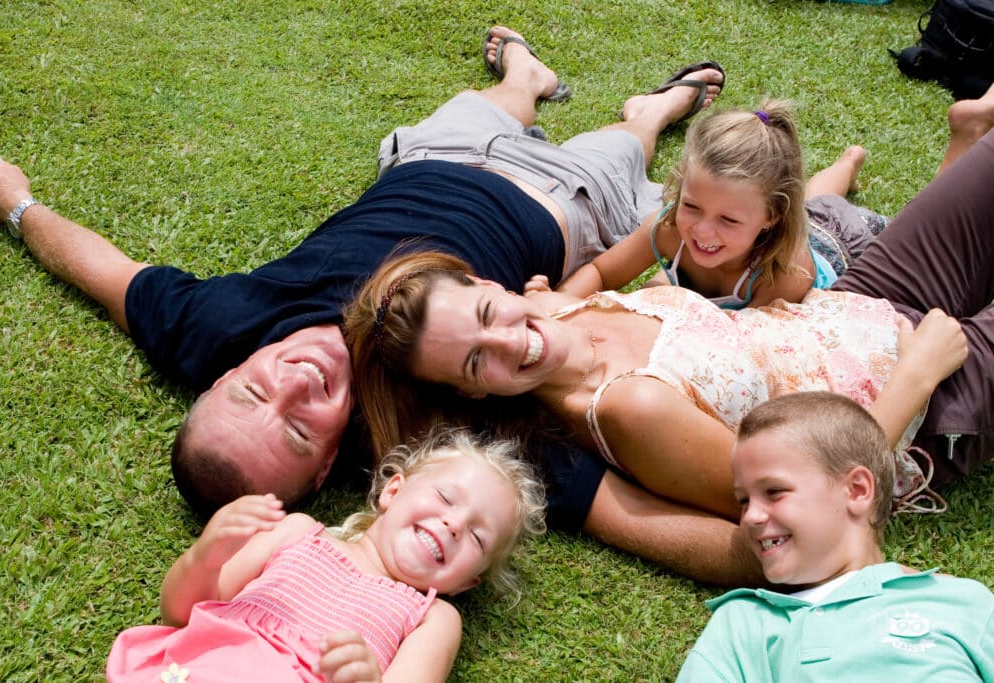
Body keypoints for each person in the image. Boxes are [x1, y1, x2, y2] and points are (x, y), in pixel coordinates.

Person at [0, 26, 725, 524]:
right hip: (564, 202)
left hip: (431, 160)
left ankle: (526, 78)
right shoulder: (416, 428)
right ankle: (658, 106)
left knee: (493, 102)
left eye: (254, 388)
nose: (295, 382)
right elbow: (604, 505)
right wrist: (788, 545)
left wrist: (15, 203)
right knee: (622, 144)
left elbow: (108, 273)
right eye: (299, 429)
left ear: (224, 372)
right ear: (333, 458)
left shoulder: (211, 330)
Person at [345, 101, 994, 575]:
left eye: (489, 312)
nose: (515, 343)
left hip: (857, 299)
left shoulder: (558, 306)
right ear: (470, 392)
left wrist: (553, 298)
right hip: (922, 404)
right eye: (478, 362)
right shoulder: (631, 407)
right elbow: (799, 517)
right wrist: (918, 376)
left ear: (494, 283)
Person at [106, 428, 547, 682]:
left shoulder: (433, 618)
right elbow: (179, 615)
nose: (454, 524)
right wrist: (205, 557)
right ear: (393, 491)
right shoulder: (298, 533)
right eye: (446, 498)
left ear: (468, 582)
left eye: (477, 538)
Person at [535, 95, 988, 308]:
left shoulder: (779, 278)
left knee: (919, 231)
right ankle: (850, 162)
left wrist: (660, 298)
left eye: (726, 219)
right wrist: (558, 306)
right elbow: (599, 271)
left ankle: (963, 143)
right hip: (802, 218)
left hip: (848, 246)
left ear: (771, 217)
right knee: (815, 200)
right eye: (692, 205)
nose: (702, 231)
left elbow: (745, 348)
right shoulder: (673, 226)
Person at [676, 393, 994, 681]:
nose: (750, 517)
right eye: (744, 500)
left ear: (856, 491)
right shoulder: (744, 623)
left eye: (774, 492)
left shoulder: (961, 601)